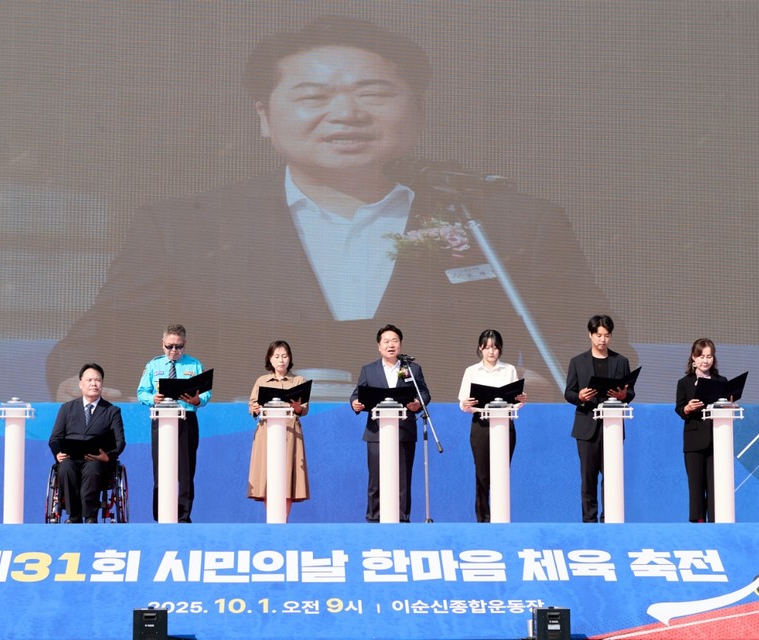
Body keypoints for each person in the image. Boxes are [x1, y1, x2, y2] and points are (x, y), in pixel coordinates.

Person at [45, 15, 635, 405]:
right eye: (313, 96)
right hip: (241, 466)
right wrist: (83, 385)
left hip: (457, 466)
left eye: (373, 93)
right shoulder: (187, 228)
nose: (345, 114)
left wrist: (554, 389)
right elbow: (91, 347)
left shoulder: (507, 224)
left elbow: (603, 356)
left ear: (419, 112)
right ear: (264, 118)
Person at [350, 324, 431, 523]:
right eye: (386, 341)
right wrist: (355, 404)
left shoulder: (412, 369)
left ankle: (402, 520)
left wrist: (417, 404)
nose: (390, 345)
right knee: (376, 480)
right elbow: (356, 395)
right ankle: (374, 519)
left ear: (400, 345)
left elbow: (425, 394)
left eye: (394, 341)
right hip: (376, 433)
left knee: (402, 480)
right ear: (379, 346)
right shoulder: (369, 370)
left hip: (403, 431)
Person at [564, 314, 635, 523]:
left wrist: (624, 396)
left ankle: (610, 518)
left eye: (607, 335)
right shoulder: (578, 362)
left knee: (611, 476)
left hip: (612, 426)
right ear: (590, 335)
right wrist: (580, 397)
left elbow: (630, 393)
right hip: (587, 426)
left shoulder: (621, 361)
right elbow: (569, 392)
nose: (602, 340)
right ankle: (589, 520)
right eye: (598, 335)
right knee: (588, 477)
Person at [137, 324, 210, 522]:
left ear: (184, 345)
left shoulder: (194, 365)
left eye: (178, 347)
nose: (174, 351)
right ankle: (161, 514)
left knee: (186, 470)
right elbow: (141, 392)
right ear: (163, 344)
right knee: (161, 468)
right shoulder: (154, 365)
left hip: (186, 419)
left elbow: (205, 393)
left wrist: (197, 400)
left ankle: (184, 516)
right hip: (161, 419)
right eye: (170, 346)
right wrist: (154, 398)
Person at [457, 329, 527, 523]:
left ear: (500, 349)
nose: (491, 352)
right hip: (481, 425)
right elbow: (463, 402)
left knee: (501, 473)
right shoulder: (471, 371)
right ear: (480, 348)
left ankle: (501, 517)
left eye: (495, 347)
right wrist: (467, 404)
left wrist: (521, 400)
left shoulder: (509, 370)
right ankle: (483, 520)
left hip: (505, 425)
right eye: (487, 347)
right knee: (482, 475)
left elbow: (515, 401)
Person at [48, 363, 126, 523]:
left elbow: (120, 442)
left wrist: (108, 457)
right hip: (71, 458)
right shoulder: (66, 408)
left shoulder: (112, 411)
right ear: (80, 384)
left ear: (102, 384)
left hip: (98, 460)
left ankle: (90, 517)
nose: (93, 384)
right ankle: (74, 516)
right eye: (89, 380)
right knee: (66, 467)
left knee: (92, 467)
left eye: (97, 380)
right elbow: (54, 438)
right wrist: (58, 453)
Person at [247, 340, 310, 520]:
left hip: (290, 433)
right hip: (267, 432)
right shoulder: (262, 381)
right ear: (270, 359)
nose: (281, 360)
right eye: (277, 356)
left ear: (290, 359)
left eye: (284, 356)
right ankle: (272, 519)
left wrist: (297, 406)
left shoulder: (298, 381)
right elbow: (252, 405)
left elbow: (303, 409)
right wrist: (256, 409)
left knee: (286, 478)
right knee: (269, 477)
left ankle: (282, 520)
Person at [675, 338, 725, 523]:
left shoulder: (721, 381)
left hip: (717, 440)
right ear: (693, 358)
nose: (706, 361)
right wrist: (687, 408)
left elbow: (726, 405)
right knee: (695, 487)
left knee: (715, 487)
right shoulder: (685, 382)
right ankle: (698, 527)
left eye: (709, 356)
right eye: (702, 356)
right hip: (694, 441)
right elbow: (679, 408)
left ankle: (716, 523)